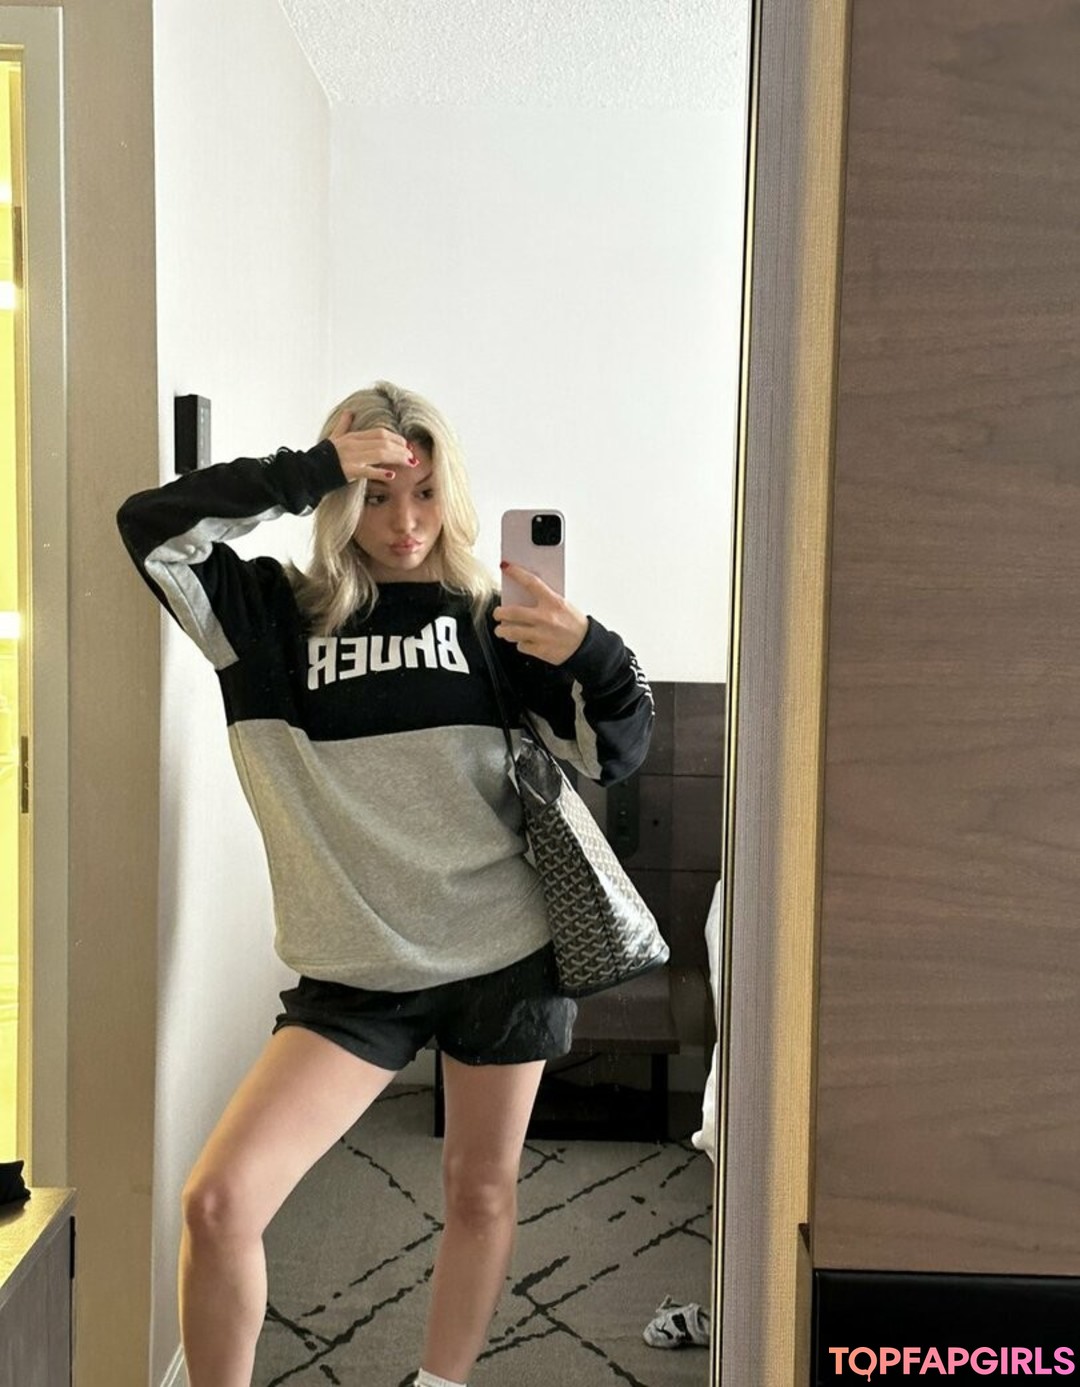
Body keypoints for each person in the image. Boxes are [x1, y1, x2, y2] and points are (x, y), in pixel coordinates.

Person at [116, 380, 654, 1387]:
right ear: (340, 497)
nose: (405, 522)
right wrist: (312, 467)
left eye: (425, 492)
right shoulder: (265, 618)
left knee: (480, 1192)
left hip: (503, 955)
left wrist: (596, 652)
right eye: (375, 493)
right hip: (357, 974)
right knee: (219, 1202)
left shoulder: (490, 621)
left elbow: (612, 752)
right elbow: (150, 528)